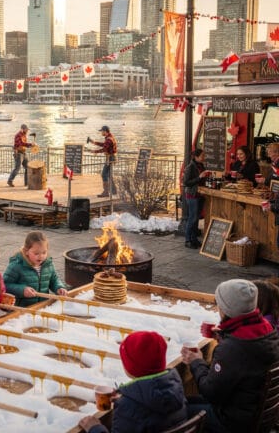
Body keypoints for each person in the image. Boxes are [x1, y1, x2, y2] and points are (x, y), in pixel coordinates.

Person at [181, 279, 279, 433]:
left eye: (219, 303)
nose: (218, 307)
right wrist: (225, 337)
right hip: (253, 410)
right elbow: (243, 354)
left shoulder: (233, 348)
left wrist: (196, 362)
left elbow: (210, 392)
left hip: (233, 421)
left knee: (173, 410)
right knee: (184, 401)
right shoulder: (267, 329)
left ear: (226, 309)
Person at [79, 331, 187, 433]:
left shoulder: (127, 406)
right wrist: (126, 395)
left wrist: (95, 428)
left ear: (132, 367)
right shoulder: (174, 385)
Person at [3, 231, 67, 307]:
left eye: (44, 252)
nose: (41, 256)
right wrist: (22, 290)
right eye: (36, 253)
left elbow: (54, 280)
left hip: (42, 306)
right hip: (22, 309)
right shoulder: (16, 265)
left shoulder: (48, 264)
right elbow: (5, 285)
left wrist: (59, 287)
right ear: (26, 251)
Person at [183, 149, 210, 249]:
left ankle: (194, 239)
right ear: (196, 157)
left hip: (199, 195)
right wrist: (199, 177)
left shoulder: (201, 166)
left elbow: (200, 180)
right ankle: (187, 240)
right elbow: (186, 182)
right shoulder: (190, 167)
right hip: (192, 195)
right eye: (202, 156)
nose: (204, 157)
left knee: (196, 218)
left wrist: (206, 176)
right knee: (192, 218)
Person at [87, 125, 118, 197]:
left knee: (104, 174)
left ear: (105, 131)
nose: (101, 132)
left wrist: (95, 151)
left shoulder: (109, 139)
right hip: (111, 158)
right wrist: (94, 142)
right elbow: (104, 145)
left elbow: (104, 149)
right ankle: (114, 191)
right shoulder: (110, 138)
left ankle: (106, 192)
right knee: (109, 175)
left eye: (102, 131)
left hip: (110, 158)